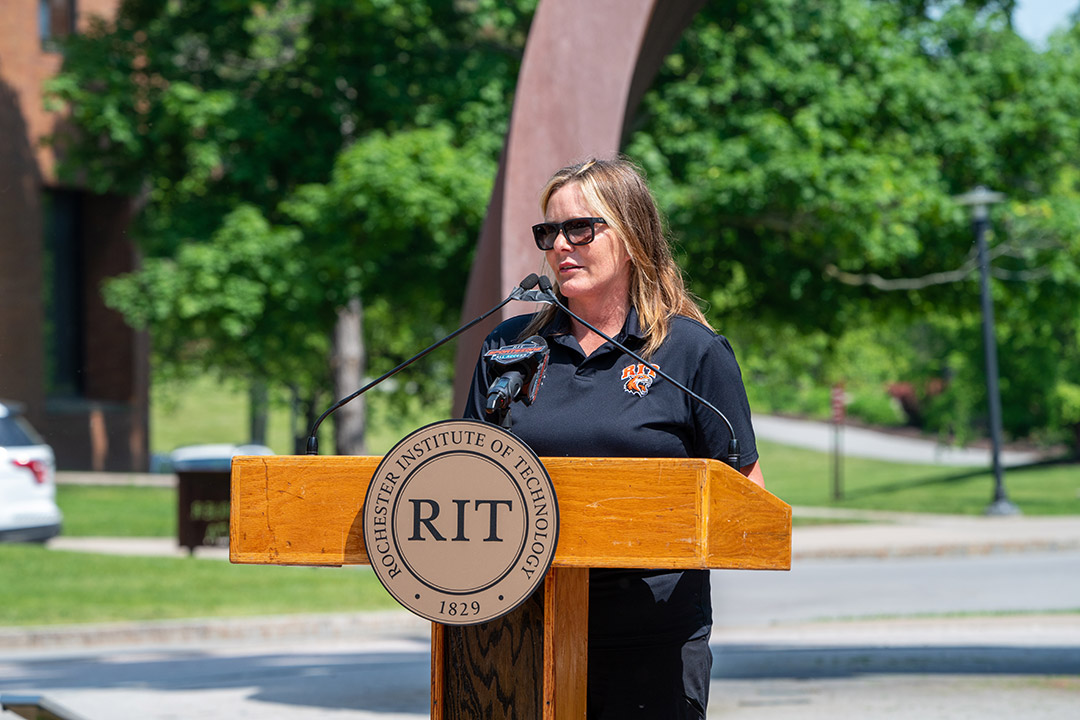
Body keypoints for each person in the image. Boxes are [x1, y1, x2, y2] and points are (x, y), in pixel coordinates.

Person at [462, 156, 763, 719]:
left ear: (631, 237)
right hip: (518, 626)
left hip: (649, 637)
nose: (560, 246)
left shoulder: (690, 352)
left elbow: (747, 503)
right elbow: (468, 476)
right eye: (548, 232)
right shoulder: (509, 345)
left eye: (580, 228)